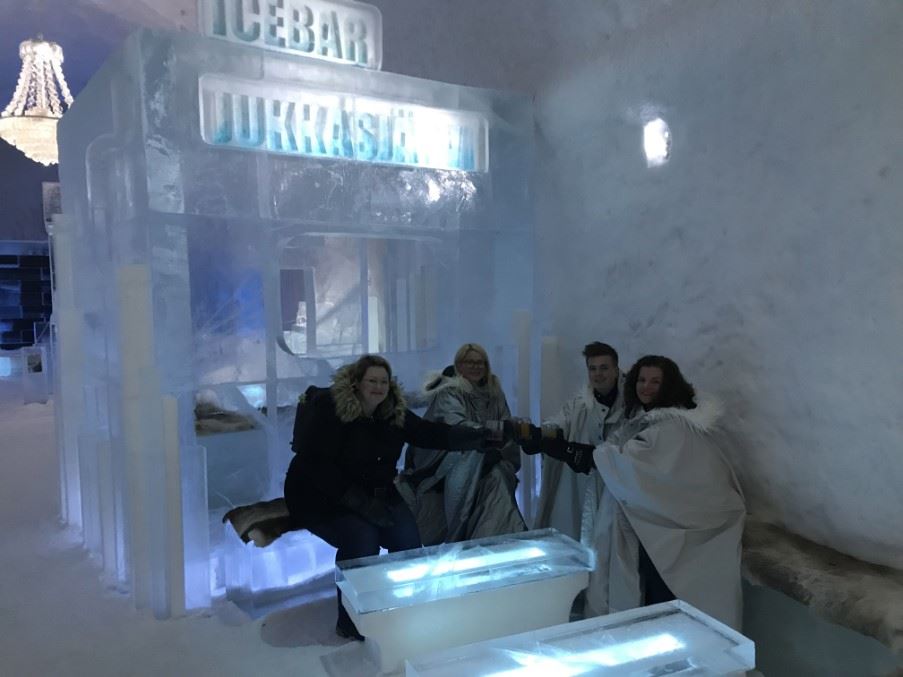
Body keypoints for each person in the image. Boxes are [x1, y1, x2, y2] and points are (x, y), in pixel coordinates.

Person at [521, 355, 746, 630]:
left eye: (655, 381)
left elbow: (619, 461)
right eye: (641, 380)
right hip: (655, 525)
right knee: (653, 596)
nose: (646, 387)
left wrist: (556, 448)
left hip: (678, 531)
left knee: (669, 600)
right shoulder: (648, 420)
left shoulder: (672, 429)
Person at [283, 354, 497, 640]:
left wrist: (476, 438)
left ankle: (402, 606)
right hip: (320, 495)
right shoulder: (332, 411)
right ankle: (349, 620)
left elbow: (429, 434)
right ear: (357, 383)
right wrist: (361, 505)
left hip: (376, 491)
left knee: (407, 540)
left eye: (383, 381)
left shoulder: (392, 412)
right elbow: (317, 468)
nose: (378, 387)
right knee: (362, 538)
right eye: (372, 380)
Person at [398, 343, 526, 545]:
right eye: (470, 362)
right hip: (450, 460)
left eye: (480, 362)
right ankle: (491, 541)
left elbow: (506, 424)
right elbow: (459, 429)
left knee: (497, 475)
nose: (476, 367)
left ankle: (495, 541)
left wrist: (507, 433)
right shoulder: (449, 391)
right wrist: (499, 433)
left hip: (488, 458)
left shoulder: (494, 392)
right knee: (491, 476)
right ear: (459, 365)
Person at [533, 342, 625, 542]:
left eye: (604, 368)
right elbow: (560, 421)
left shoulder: (631, 405)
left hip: (618, 489)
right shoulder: (580, 404)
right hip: (586, 486)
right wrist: (539, 435)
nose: (598, 374)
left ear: (616, 370)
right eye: (592, 369)